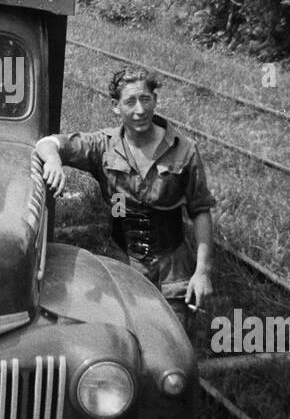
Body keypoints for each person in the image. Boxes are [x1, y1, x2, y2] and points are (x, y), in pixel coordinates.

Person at [35, 66, 215, 314]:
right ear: (116, 106)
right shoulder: (103, 145)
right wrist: (54, 160)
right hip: (122, 260)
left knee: (173, 335)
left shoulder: (184, 149)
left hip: (172, 268)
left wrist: (202, 272)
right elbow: (48, 143)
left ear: (155, 101)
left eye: (146, 99)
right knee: (125, 328)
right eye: (130, 101)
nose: (140, 110)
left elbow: (201, 209)